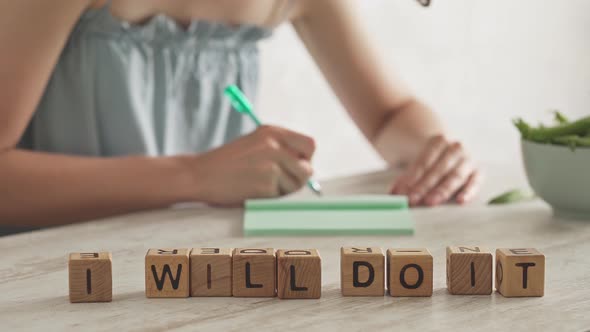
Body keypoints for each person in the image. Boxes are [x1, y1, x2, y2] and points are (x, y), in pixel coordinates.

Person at [0, 0, 480, 231]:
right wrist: (192, 175)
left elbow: (390, 116)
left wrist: (431, 149)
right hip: (52, 276)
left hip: (178, 274)